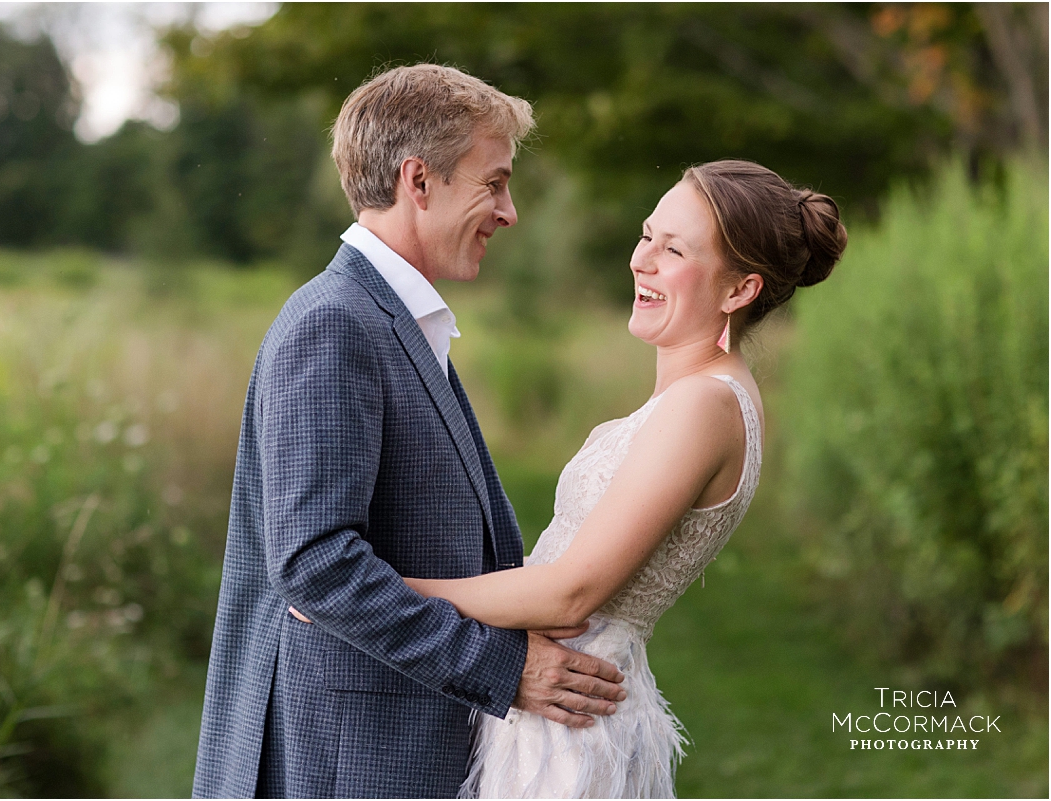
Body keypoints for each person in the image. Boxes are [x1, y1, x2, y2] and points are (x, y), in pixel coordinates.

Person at [191, 64, 627, 800]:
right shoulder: (335, 325)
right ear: (418, 181)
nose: (510, 211)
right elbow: (317, 564)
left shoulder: (390, 320)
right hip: (344, 763)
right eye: (494, 183)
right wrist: (503, 666)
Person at [403, 159, 849, 798]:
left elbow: (570, 593)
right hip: (560, 704)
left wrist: (382, 591)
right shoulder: (697, 396)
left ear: (739, 290)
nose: (642, 261)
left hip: (574, 725)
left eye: (674, 250)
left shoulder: (705, 405)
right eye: (646, 236)